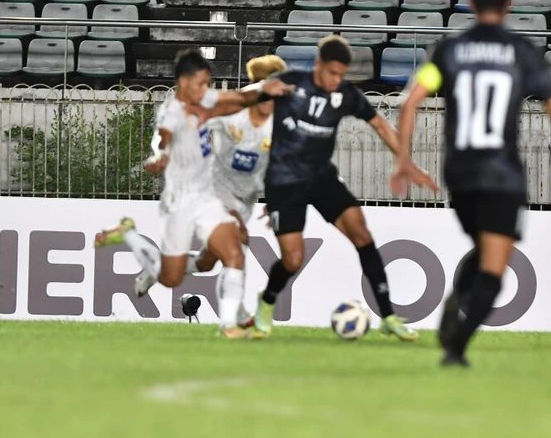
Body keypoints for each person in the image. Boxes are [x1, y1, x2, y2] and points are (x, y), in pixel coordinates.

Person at [189, 36, 438, 340]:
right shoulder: (290, 83)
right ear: (318, 65)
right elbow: (242, 98)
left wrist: (405, 161)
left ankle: (388, 316)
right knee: (293, 259)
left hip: (322, 177)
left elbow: (381, 125)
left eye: (341, 74)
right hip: (284, 182)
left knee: (361, 233)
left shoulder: (346, 94)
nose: (336, 80)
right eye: (332, 72)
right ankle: (266, 303)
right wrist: (258, 90)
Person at [392, 0, 551, 367]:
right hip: (501, 174)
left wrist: (404, 160)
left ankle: (458, 301)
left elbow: (409, 102)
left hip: (459, 172)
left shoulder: (449, 50)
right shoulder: (522, 52)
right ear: (508, 3)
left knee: (484, 244)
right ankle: (456, 348)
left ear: (471, 3)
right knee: (494, 266)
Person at [94, 49, 291, 339]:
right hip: (194, 195)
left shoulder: (216, 101)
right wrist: (159, 155)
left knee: (220, 258)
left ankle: (226, 324)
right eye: (201, 83)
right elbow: (162, 138)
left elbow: (238, 100)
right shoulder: (176, 111)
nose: (205, 89)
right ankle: (129, 234)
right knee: (203, 260)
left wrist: (263, 88)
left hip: (224, 196)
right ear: (184, 83)